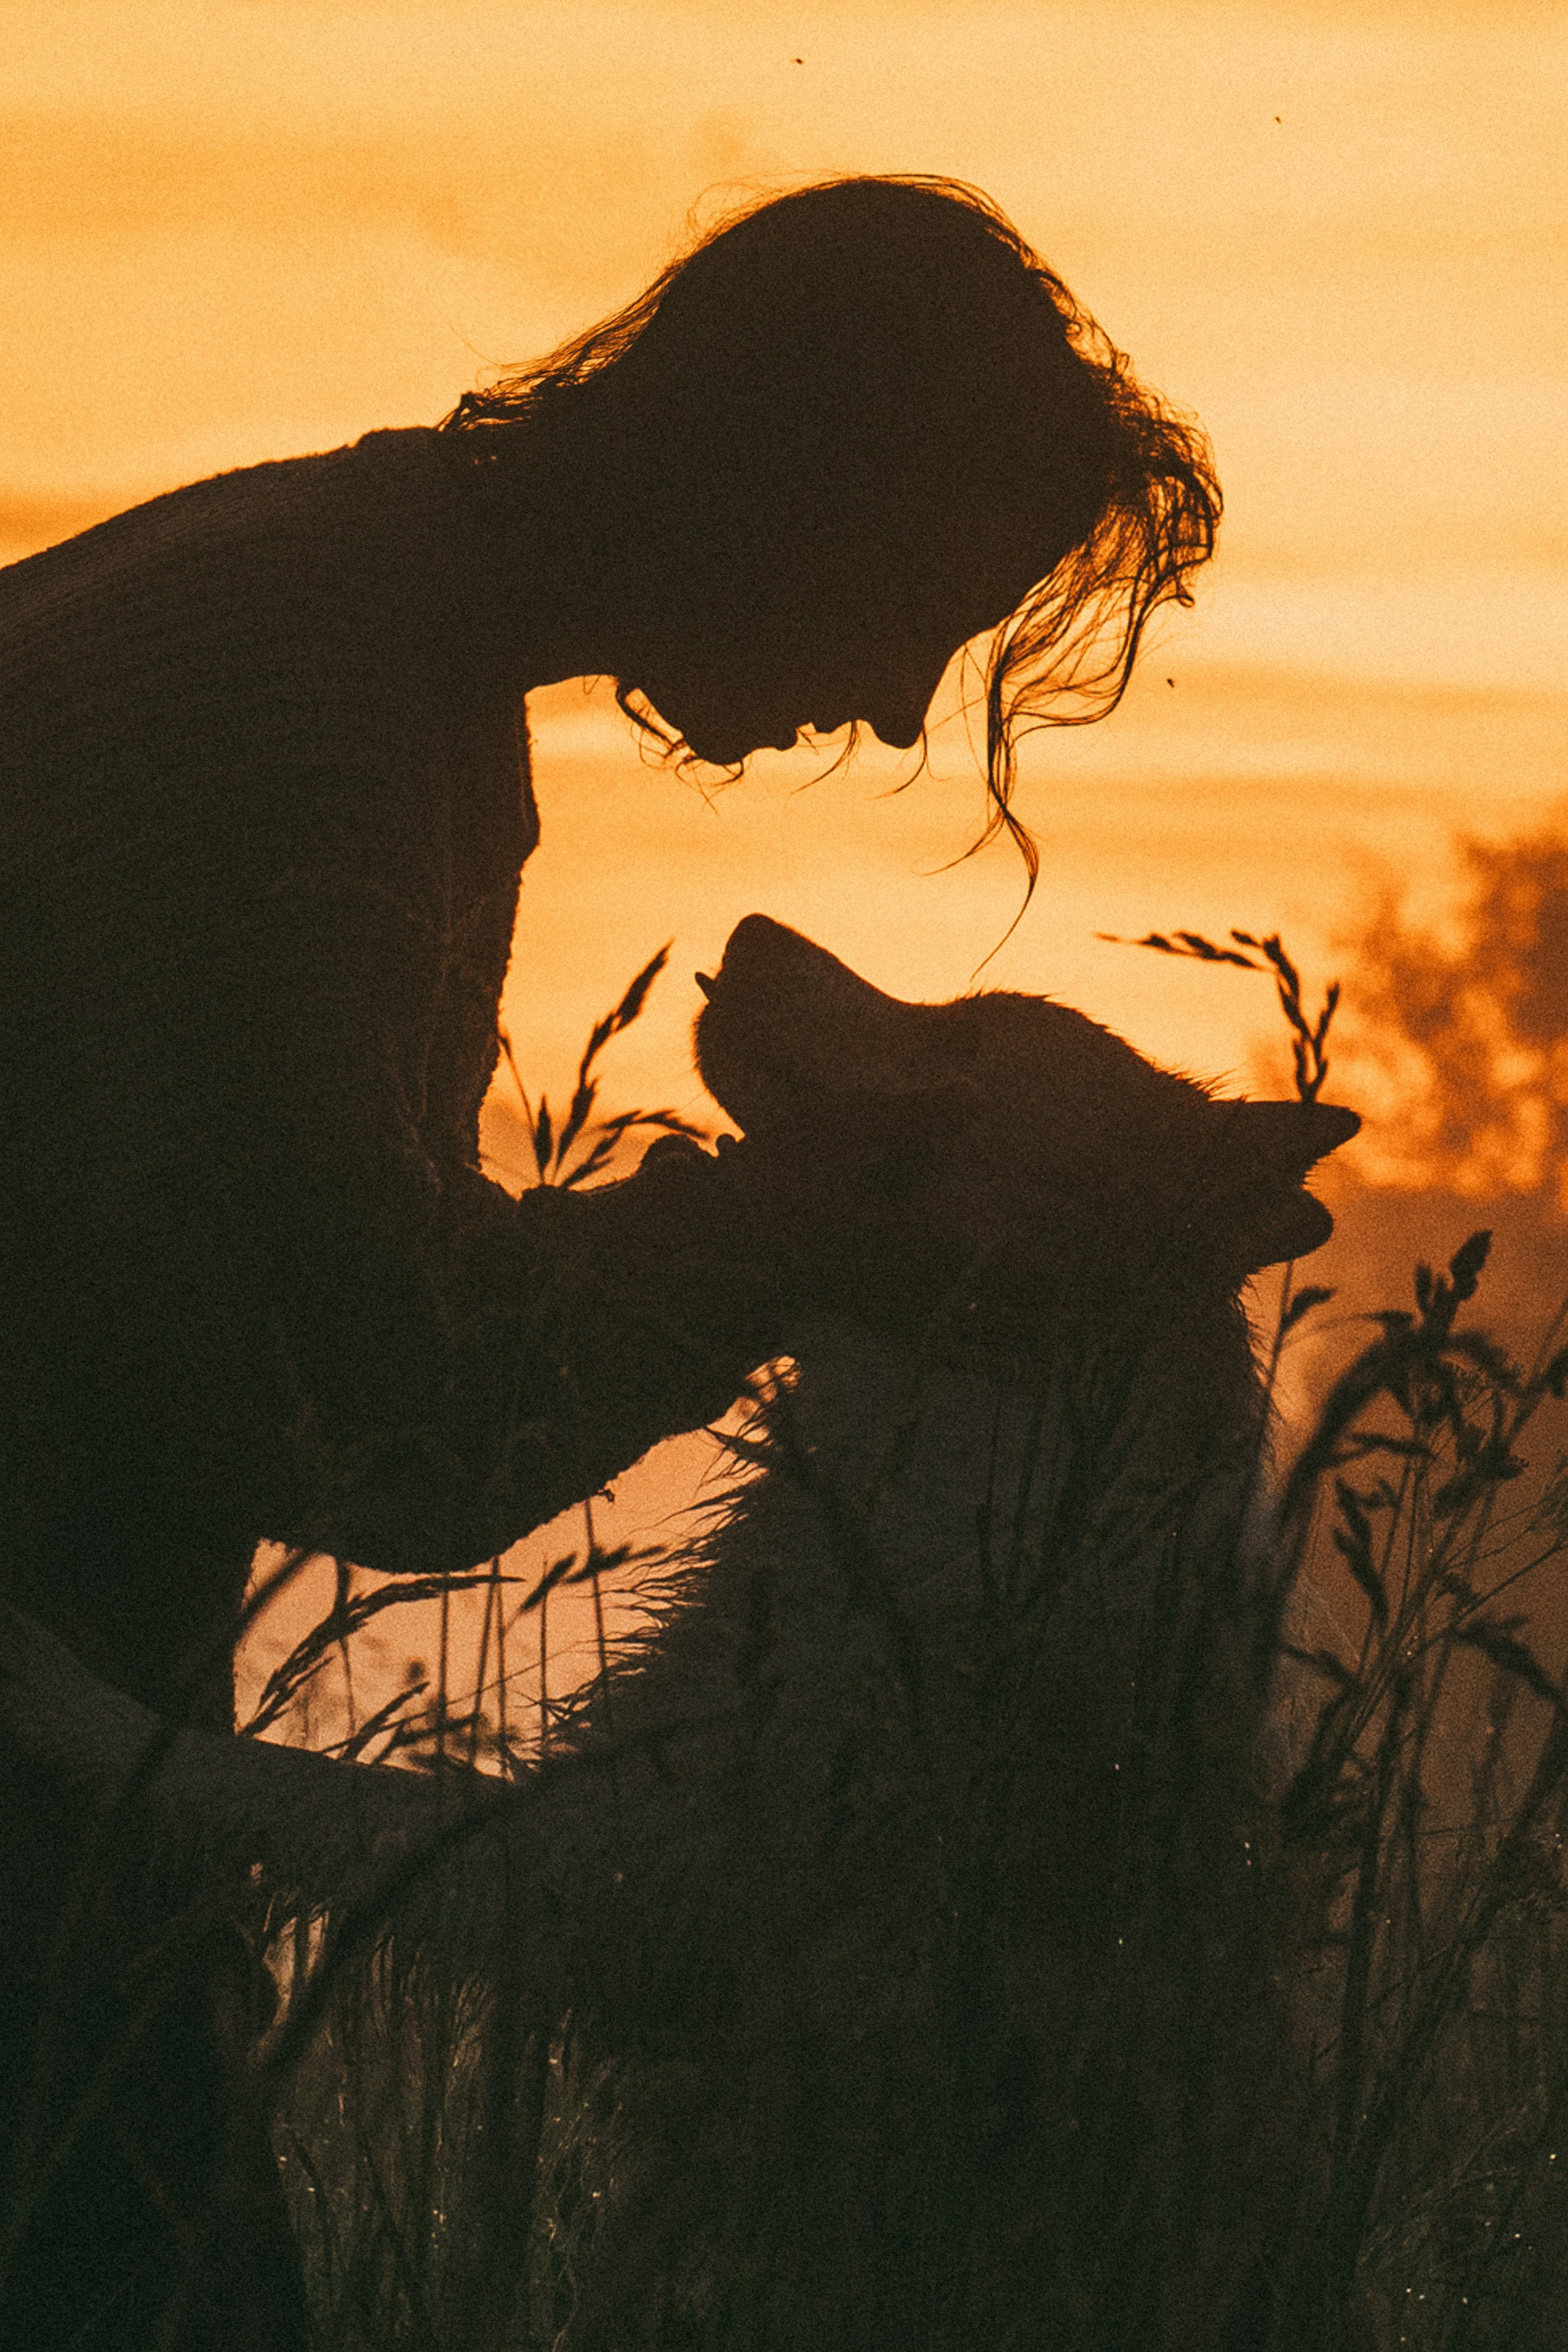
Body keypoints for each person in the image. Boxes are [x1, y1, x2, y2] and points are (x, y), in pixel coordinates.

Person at [0, 175, 1219, 2348]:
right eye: (916, 604)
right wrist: (809, 1227)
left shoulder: (331, 620)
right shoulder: (301, 707)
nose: (897, 704)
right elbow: (375, 1404)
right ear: (779, 479)